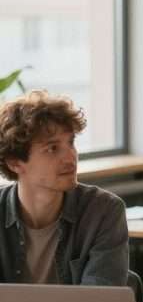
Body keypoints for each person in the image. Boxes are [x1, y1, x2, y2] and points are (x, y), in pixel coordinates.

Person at [0, 91, 128, 285]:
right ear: (15, 163)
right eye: (52, 148)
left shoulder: (103, 210)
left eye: (71, 143)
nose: (71, 158)